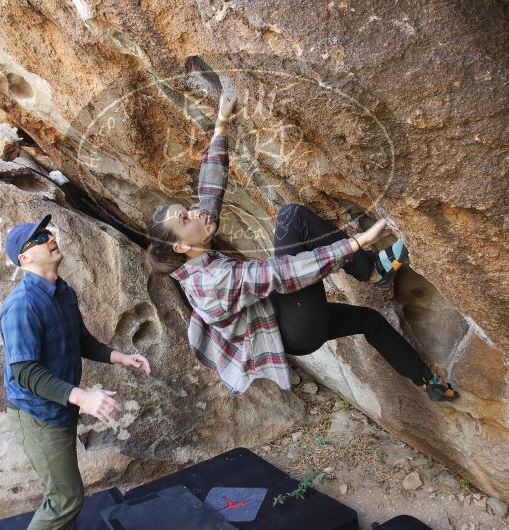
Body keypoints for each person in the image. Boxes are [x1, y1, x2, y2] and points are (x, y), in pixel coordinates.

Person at [144, 93, 456, 402]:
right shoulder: (211, 282)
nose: (197, 211)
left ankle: (427, 380)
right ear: (181, 244)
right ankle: (372, 268)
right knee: (292, 218)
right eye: (186, 217)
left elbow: (209, 194)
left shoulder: (194, 248)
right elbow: (282, 273)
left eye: (188, 208)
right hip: (293, 329)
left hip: (284, 319)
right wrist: (358, 242)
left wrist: (221, 126)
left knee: (370, 321)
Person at [0, 215, 151, 530]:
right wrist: (84, 398)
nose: (50, 238)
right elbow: (25, 372)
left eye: (48, 233)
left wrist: (120, 357)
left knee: (65, 496)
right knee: (64, 499)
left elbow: (80, 340)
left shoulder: (63, 291)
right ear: (24, 257)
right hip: (38, 416)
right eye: (39, 238)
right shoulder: (22, 305)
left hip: (60, 409)